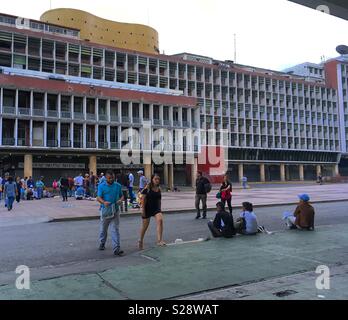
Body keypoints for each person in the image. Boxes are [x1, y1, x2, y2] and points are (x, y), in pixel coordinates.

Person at [97, 171, 124, 256]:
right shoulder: (101, 186)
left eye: (112, 177)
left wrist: (120, 200)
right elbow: (98, 197)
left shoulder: (118, 186)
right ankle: (102, 242)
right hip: (105, 211)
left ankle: (116, 248)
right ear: (105, 178)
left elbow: (122, 196)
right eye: (109, 178)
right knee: (103, 230)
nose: (111, 179)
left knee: (115, 230)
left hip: (115, 211)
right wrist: (103, 202)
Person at [139, 173, 166, 250]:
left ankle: (159, 240)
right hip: (147, 208)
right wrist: (143, 210)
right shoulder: (147, 188)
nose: (157, 180)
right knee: (145, 227)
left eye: (158, 179)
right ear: (152, 179)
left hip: (156, 209)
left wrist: (160, 209)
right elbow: (143, 200)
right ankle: (140, 240)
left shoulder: (159, 188)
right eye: (155, 179)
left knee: (160, 220)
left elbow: (159, 200)